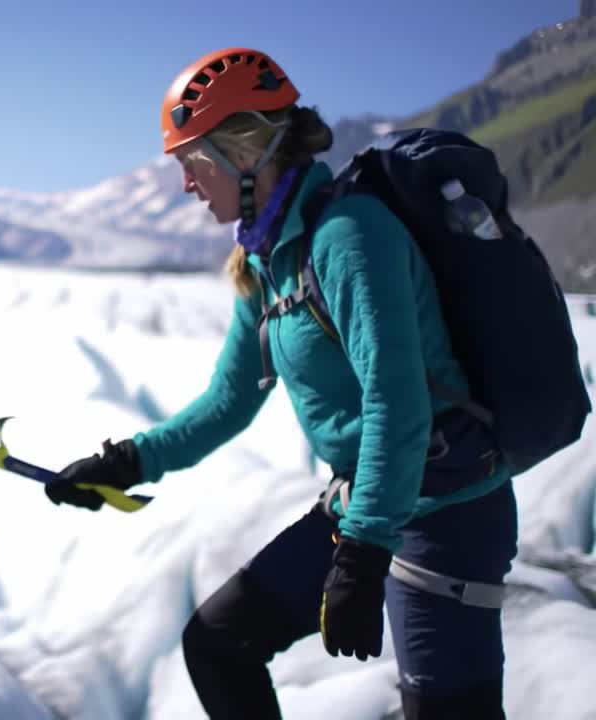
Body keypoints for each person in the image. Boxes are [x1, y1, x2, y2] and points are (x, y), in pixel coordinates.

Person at [43, 48, 516, 719]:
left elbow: (397, 401)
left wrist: (362, 551)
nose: (185, 183)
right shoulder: (267, 260)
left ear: (242, 153)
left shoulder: (349, 236)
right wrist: (125, 461)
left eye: (190, 161)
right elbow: (228, 403)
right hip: (368, 506)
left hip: (447, 506)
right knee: (218, 641)